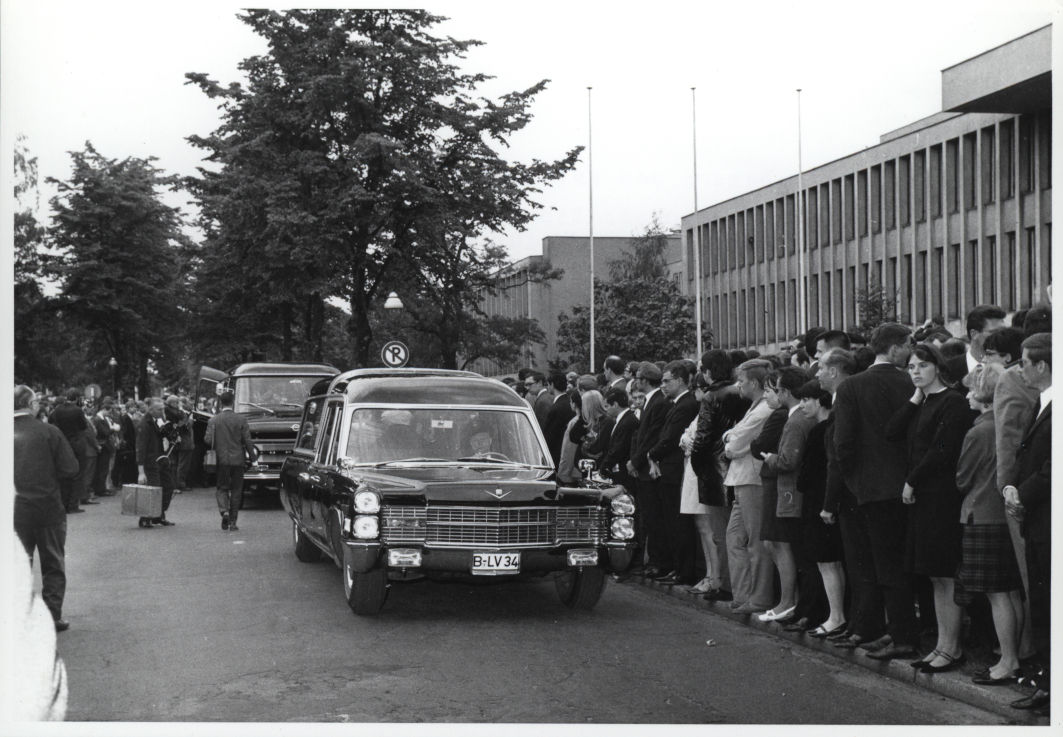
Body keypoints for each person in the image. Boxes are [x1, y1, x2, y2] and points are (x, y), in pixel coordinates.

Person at [885, 342, 976, 672]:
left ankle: (952, 648)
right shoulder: (923, 402)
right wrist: (914, 398)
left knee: (945, 574)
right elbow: (892, 432)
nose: (915, 372)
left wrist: (912, 480)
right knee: (936, 576)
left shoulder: (952, 402)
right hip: (924, 497)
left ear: (937, 366)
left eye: (922, 366)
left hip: (940, 495)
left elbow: (943, 450)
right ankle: (942, 644)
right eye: (910, 367)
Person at [833, 322, 918, 661]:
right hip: (908, 484)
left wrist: (856, 480)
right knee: (900, 564)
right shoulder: (910, 381)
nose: (911, 350)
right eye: (907, 344)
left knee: (883, 564)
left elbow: (843, 443)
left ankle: (900, 635)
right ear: (894, 347)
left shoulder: (852, 386)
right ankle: (898, 631)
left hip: (871, 488)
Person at [954, 364, 1024, 686]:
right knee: (1009, 592)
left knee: (997, 595)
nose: (967, 394)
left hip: (980, 515)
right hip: (1004, 516)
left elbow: (962, 478)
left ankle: (1007, 660)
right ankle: (1015, 655)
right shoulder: (1006, 423)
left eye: (971, 389)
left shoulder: (978, 430)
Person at [818, 348, 885, 650]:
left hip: (852, 493)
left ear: (834, 370)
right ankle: (858, 623)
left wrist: (830, 503)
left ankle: (864, 626)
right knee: (858, 564)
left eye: (821, 367)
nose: (817, 373)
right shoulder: (842, 397)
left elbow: (840, 455)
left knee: (861, 564)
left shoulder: (847, 394)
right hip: (856, 491)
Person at [1004, 332, 1052, 713]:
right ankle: (1047, 683)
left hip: (1049, 519)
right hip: (1037, 520)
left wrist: (1024, 491)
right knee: (1042, 603)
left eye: (1024, 362)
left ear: (1042, 365)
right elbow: (1027, 451)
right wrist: (1011, 484)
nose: (1019, 369)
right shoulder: (1042, 401)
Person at [14, 385, 80, 632]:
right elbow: (70, 469)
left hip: (13, 510)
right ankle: (51, 616)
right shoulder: (49, 432)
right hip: (47, 507)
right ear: (31, 405)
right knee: (52, 562)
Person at [759, 366, 819, 623]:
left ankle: (788, 602)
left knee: (790, 547)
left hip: (789, 493)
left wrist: (771, 458)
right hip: (794, 492)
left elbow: (788, 461)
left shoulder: (795, 420)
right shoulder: (799, 418)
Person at [793, 380, 846, 638]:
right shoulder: (825, 429)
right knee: (831, 563)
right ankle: (835, 615)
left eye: (806, 400)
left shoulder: (820, 432)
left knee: (827, 563)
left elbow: (807, 474)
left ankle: (835, 616)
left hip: (820, 503)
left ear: (821, 400)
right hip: (828, 501)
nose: (802, 405)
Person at [722, 359, 775, 615]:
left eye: (741, 381)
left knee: (756, 541)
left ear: (754, 382)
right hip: (741, 479)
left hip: (752, 480)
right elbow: (732, 436)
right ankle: (742, 595)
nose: (738, 386)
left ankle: (760, 598)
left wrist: (730, 439)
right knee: (734, 538)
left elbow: (734, 443)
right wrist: (730, 438)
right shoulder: (754, 407)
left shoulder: (763, 409)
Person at [646, 360, 700, 586]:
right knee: (671, 523)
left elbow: (670, 438)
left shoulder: (686, 404)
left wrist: (652, 454)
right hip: (667, 469)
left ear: (679, 380)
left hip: (675, 470)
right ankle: (677, 568)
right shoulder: (678, 403)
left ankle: (683, 570)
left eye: (667, 381)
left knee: (678, 524)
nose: (663, 386)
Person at [626, 361, 671, 576]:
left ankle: (658, 562)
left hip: (650, 468)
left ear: (644, 380)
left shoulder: (659, 403)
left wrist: (636, 461)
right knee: (648, 516)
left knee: (654, 518)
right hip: (644, 467)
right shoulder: (650, 402)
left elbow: (651, 437)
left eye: (638, 378)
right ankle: (654, 560)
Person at [205, 390, 257, 532]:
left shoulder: (213, 420)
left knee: (222, 488)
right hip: (238, 460)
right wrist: (254, 460)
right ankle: (233, 522)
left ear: (221, 403)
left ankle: (224, 511)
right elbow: (247, 441)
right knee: (236, 490)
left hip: (221, 460)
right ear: (233, 402)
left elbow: (208, 440)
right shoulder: (241, 420)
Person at [136, 397, 177, 527]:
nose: (162, 411)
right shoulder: (144, 424)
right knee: (153, 490)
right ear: (151, 410)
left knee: (168, 486)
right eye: (159, 409)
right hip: (150, 462)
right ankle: (145, 518)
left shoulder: (156, 421)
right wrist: (141, 472)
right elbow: (140, 448)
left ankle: (159, 515)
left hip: (160, 460)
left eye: (163, 409)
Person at [49, 389, 89, 514]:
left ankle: (64, 503)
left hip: (62, 444)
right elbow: (83, 426)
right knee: (77, 475)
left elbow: (51, 423)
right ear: (77, 398)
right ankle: (73, 505)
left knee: (64, 475)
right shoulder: (78, 410)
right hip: (77, 444)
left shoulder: (57, 410)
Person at [946, 304, 1006, 383]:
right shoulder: (948, 370)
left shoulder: (1010, 369)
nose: (1002, 337)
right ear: (974, 334)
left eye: (1004, 332)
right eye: (994, 333)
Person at [542, 372, 576, 467]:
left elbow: (549, 436)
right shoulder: (570, 402)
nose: (547, 387)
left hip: (557, 456)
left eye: (548, 384)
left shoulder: (555, 408)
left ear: (552, 385)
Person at [165, 395, 194, 491]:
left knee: (175, 464)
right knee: (181, 465)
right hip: (181, 440)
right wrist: (188, 419)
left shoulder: (170, 411)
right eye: (177, 403)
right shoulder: (176, 413)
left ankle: (176, 484)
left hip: (176, 441)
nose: (178, 405)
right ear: (172, 403)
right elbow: (184, 426)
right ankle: (179, 484)